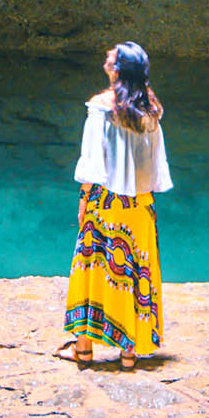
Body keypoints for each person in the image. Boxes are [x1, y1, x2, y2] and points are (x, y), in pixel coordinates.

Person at [62, 41, 170, 364]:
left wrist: (84, 197)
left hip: (106, 202)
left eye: (113, 55)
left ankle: (83, 349)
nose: (107, 56)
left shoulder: (102, 108)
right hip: (139, 205)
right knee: (135, 270)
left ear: (118, 68)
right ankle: (129, 351)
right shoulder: (150, 110)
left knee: (90, 267)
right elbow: (154, 163)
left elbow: (93, 160)